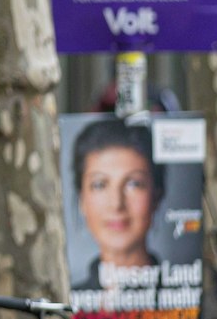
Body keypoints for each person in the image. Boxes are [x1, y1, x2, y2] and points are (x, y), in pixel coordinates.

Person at [70, 117, 165, 291]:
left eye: (134, 184)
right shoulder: (64, 300)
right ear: (81, 199)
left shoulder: (193, 297)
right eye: (100, 184)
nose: (116, 204)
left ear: (156, 196)